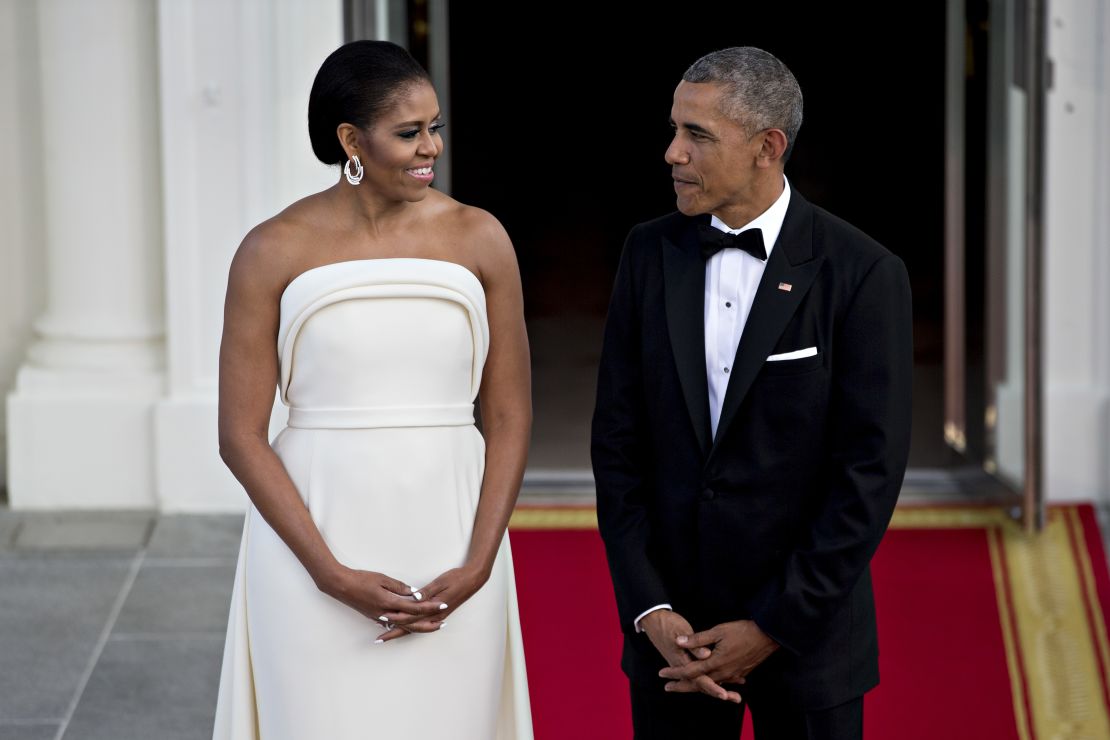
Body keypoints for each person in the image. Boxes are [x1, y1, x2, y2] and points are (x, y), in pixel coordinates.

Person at [212, 40, 533, 739]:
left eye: (435, 125)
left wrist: (479, 561)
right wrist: (328, 573)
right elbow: (239, 435)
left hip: (453, 540)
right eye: (410, 132)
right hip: (312, 545)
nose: (432, 147)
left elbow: (508, 414)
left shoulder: (480, 238)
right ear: (351, 140)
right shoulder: (272, 249)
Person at [591, 46, 912, 740]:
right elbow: (616, 449)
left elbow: (868, 475)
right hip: (672, 645)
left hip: (810, 644)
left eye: (696, 135)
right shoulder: (647, 254)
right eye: (674, 129)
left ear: (768, 147)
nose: (672, 153)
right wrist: (651, 610)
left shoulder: (863, 273)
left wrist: (772, 625)